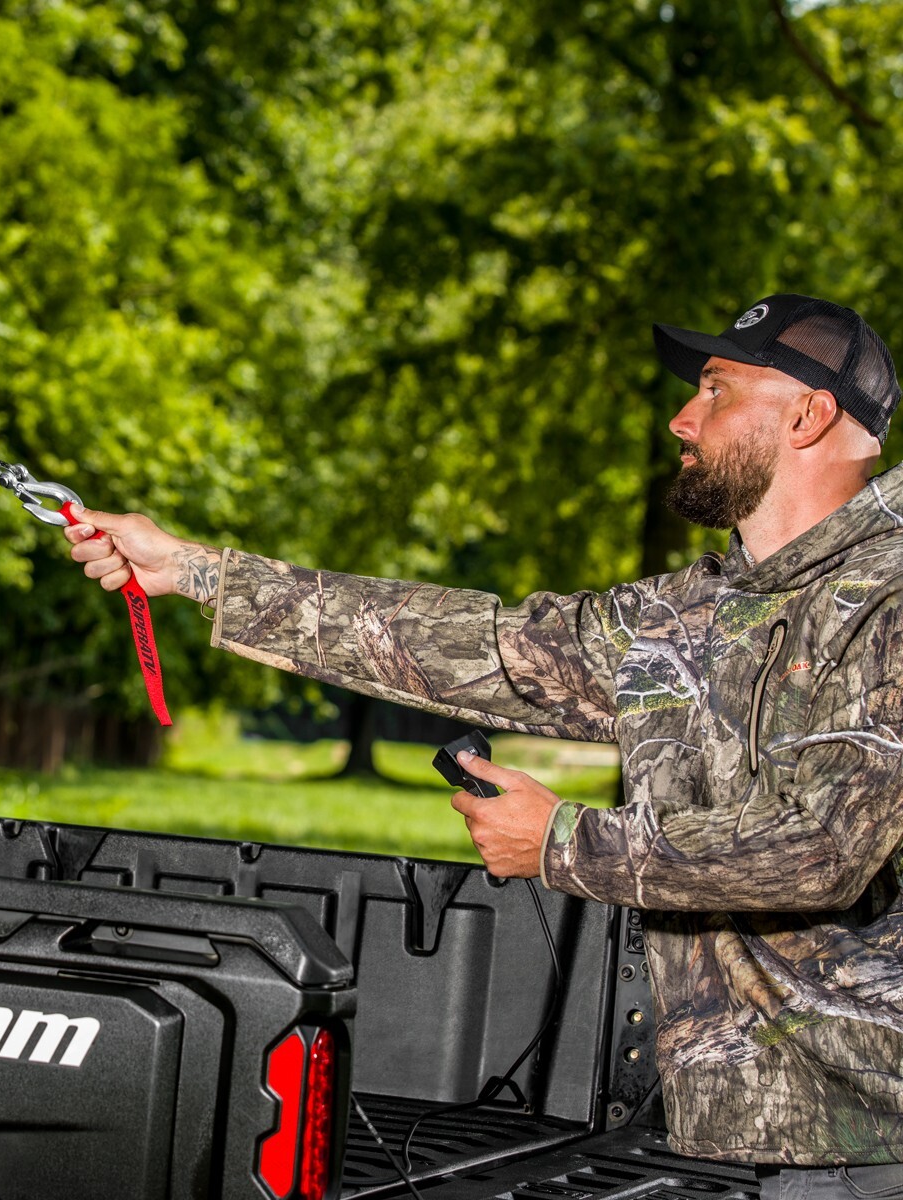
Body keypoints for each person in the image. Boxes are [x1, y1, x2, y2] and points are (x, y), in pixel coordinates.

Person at [65, 295, 903, 1195]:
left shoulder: (889, 596)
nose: (681, 417)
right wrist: (195, 570)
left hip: (873, 1135)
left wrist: (561, 842)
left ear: (810, 415)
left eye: (715, 388)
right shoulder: (693, 613)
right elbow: (475, 646)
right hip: (758, 1136)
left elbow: (822, 847)